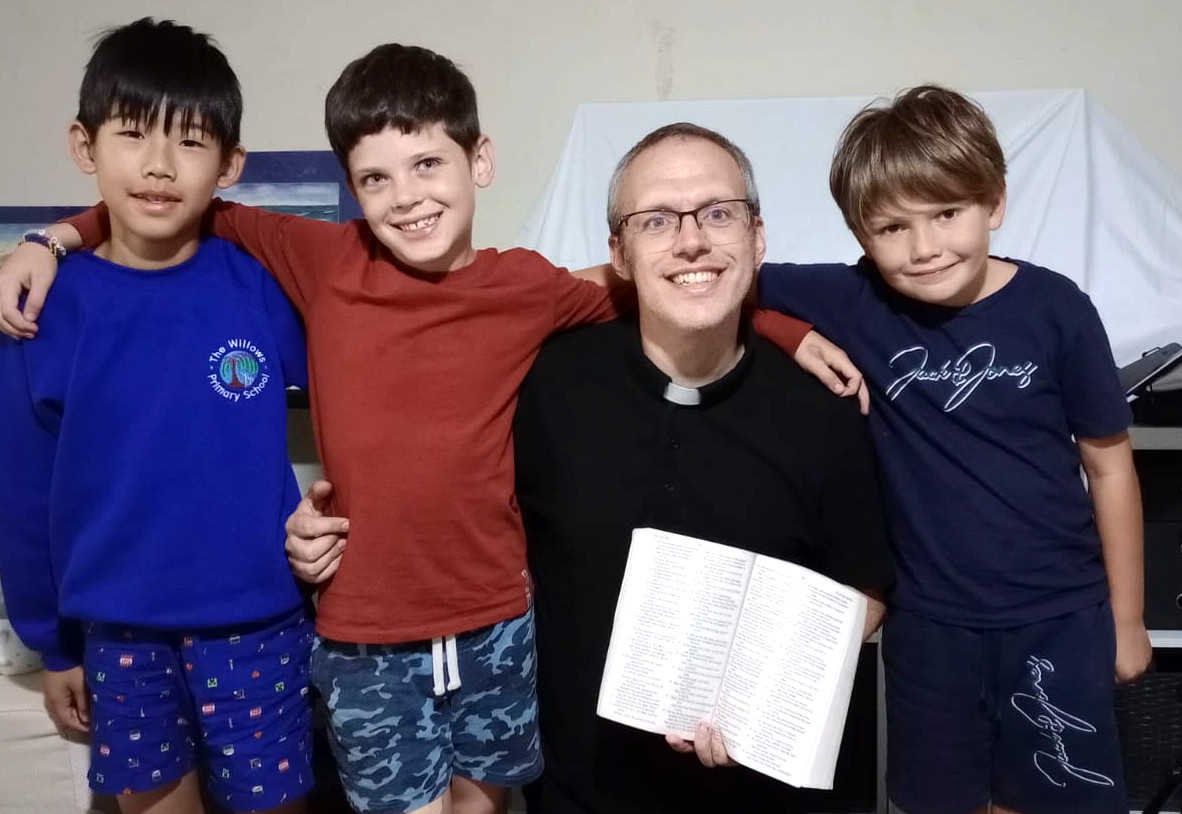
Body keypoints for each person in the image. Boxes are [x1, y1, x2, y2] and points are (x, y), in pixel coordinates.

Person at [0, 44, 866, 814]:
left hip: (496, 621)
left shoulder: (526, 287)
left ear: (479, 160)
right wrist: (51, 238)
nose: (406, 198)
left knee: (484, 799)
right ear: (351, 187)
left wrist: (779, 328)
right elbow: (177, 201)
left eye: (428, 165)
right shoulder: (322, 260)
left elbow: (667, 278)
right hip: (365, 629)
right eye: (375, 179)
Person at [287, 123, 894, 814]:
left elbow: (865, 588)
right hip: (578, 789)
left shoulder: (825, 406)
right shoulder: (545, 384)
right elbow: (437, 486)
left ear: (757, 238)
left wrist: (759, 692)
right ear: (618, 254)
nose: (691, 240)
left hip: (764, 796)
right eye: (656, 220)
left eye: (718, 213)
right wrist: (324, 528)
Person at [757, 85, 1152, 814]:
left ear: (993, 203)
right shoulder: (855, 301)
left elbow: (1110, 466)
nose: (925, 247)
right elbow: (714, 287)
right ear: (859, 234)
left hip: (1061, 617)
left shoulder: (1058, 309)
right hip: (929, 628)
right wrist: (793, 333)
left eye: (946, 213)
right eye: (892, 227)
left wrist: (1128, 620)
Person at [0, 18, 313, 814]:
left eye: (191, 142)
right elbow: (22, 493)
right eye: (132, 134)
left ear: (230, 165)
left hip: (260, 623)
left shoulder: (262, 286)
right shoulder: (40, 306)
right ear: (85, 145)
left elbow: (366, 386)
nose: (159, 164)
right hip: (118, 634)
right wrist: (51, 643)